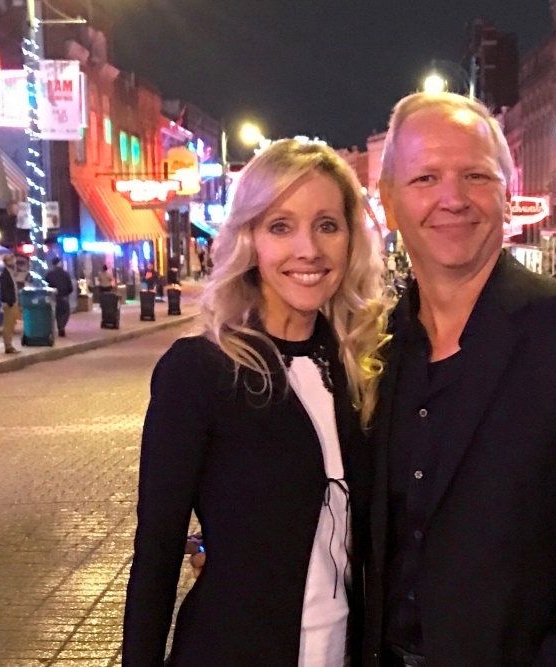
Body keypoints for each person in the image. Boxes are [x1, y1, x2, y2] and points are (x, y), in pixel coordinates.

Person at [364, 93, 556, 666]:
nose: (452, 198)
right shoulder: (373, 346)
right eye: (425, 178)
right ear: (389, 204)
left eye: (475, 175)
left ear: (505, 192)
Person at [122, 139, 387, 666]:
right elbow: (157, 549)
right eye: (280, 226)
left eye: (327, 225)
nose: (308, 249)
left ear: (351, 240)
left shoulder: (361, 365)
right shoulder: (200, 371)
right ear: (250, 239)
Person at [44, 257, 74, 337]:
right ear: (59, 263)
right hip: (63, 296)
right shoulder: (65, 273)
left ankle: (59, 325)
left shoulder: (49, 274)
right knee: (65, 312)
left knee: (57, 313)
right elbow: (70, 286)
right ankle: (62, 326)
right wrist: (67, 292)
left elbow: (46, 285)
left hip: (53, 297)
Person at [0, 254, 20, 354]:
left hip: (13, 302)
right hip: (9, 303)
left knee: (12, 324)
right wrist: (9, 302)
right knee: (8, 324)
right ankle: (8, 345)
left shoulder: (11, 273)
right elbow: (5, 289)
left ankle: (9, 344)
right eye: (11, 260)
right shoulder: (5, 274)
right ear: (6, 262)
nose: (13, 261)